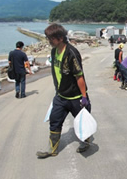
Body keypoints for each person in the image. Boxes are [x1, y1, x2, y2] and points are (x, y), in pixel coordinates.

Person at [36, 23, 91, 159]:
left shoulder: (71, 53)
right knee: (54, 121)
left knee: (82, 123)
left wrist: (84, 97)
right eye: (48, 38)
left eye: (51, 39)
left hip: (76, 97)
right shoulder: (54, 51)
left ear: (60, 38)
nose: (49, 41)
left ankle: (85, 142)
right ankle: (52, 149)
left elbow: (79, 76)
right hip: (61, 96)